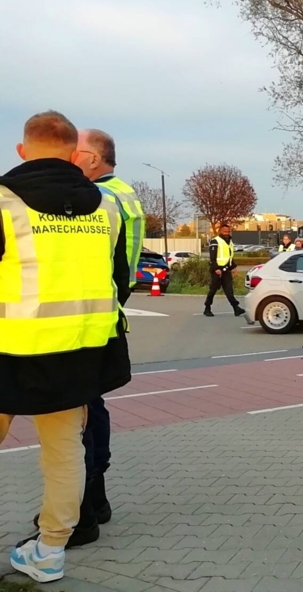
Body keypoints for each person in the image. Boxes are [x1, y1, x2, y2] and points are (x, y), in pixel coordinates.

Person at [0, 111, 131, 583]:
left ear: (22, 150)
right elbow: (118, 279)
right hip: (78, 352)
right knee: (64, 452)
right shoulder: (106, 207)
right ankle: (50, 551)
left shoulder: (4, 202)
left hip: (10, 348)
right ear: (74, 154)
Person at [69, 130, 144, 537]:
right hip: (110, 308)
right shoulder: (124, 193)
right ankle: (95, 497)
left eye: (74, 151)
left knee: (82, 410)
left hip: (92, 311)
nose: (68, 158)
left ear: (94, 159)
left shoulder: (99, 198)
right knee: (92, 405)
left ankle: (85, 501)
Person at [203, 224, 245, 318]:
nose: (227, 233)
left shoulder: (229, 241)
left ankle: (236, 308)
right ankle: (207, 308)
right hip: (217, 271)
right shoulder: (215, 241)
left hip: (226, 270)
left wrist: (233, 267)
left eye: (228, 231)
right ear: (220, 231)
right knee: (213, 290)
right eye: (225, 231)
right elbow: (212, 257)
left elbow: (229, 256)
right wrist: (216, 268)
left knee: (229, 291)